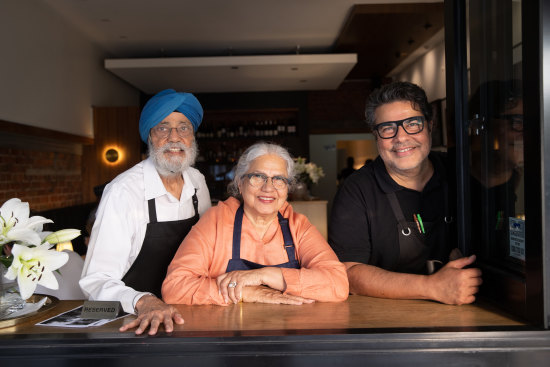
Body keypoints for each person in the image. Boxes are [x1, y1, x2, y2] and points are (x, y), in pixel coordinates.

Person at [329, 81, 482, 305]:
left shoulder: (460, 173)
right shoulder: (357, 190)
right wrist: (432, 287)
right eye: (388, 128)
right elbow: (348, 273)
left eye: (412, 123)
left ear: (430, 125)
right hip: (384, 319)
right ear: (376, 136)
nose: (400, 137)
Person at [80, 89, 211, 335]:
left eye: (183, 127)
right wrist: (144, 302)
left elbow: (208, 252)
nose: (175, 137)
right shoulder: (123, 191)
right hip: (136, 324)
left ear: (192, 137)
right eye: (163, 128)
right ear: (150, 136)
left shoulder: (197, 182)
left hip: (190, 316)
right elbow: (96, 282)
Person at [162, 142, 348, 305]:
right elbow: (175, 287)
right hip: (228, 337)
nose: (268, 188)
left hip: (288, 336)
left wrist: (262, 275)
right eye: (257, 177)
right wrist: (246, 292)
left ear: (287, 189)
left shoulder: (297, 225)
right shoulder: (216, 221)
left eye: (279, 179)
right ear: (240, 184)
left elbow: (338, 283)